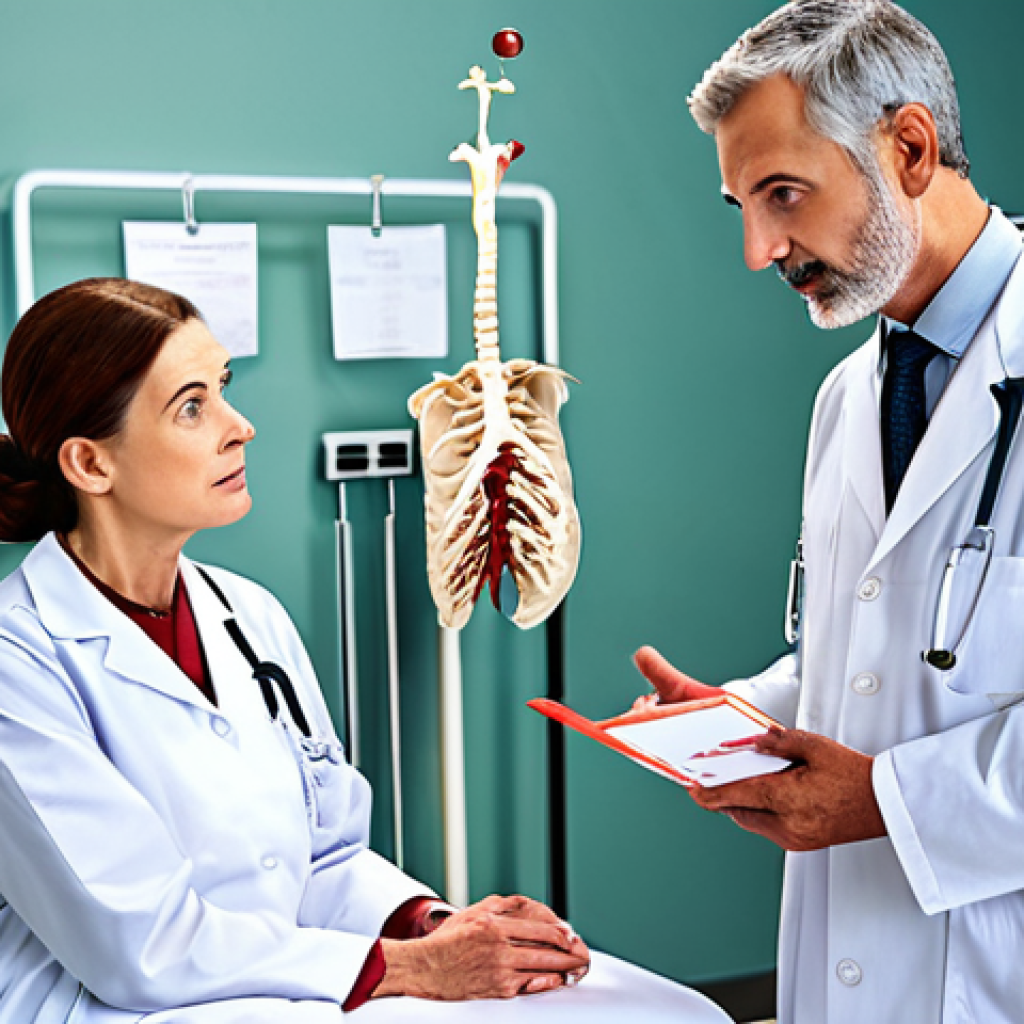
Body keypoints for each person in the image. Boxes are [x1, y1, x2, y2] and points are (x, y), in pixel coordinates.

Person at [0, 277, 592, 1024]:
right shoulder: (17, 660)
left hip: (285, 978)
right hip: (106, 1006)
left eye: (223, 386)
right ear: (90, 465)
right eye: (191, 407)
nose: (239, 425)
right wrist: (409, 969)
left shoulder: (248, 615)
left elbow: (325, 855)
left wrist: (433, 927)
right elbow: (137, 943)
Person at [632, 1, 1024, 1021]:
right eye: (742, 207)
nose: (760, 249)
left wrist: (888, 802)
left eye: (783, 194)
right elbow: (876, 659)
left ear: (907, 146)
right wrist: (746, 717)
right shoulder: (851, 393)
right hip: (846, 960)